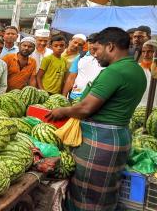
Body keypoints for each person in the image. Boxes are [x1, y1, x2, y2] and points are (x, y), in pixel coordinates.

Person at [47, 27, 146, 210]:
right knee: (104, 195)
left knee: (86, 194)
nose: (95, 55)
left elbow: (86, 108)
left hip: (100, 141)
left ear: (110, 47)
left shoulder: (115, 71)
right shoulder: (136, 70)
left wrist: (63, 111)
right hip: (118, 136)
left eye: (97, 49)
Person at [62, 33, 104, 101]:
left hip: (92, 99)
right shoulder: (80, 57)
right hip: (74, 96)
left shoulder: (106, 60)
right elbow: (71, 78)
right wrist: (63, 96)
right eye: (90, 43)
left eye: (95, 43)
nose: (92, 45)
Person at [138, 40, 157, 107]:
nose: (146, 55)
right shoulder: (136, 68)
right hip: (138, 109)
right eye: (143, 51)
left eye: (150, 51)